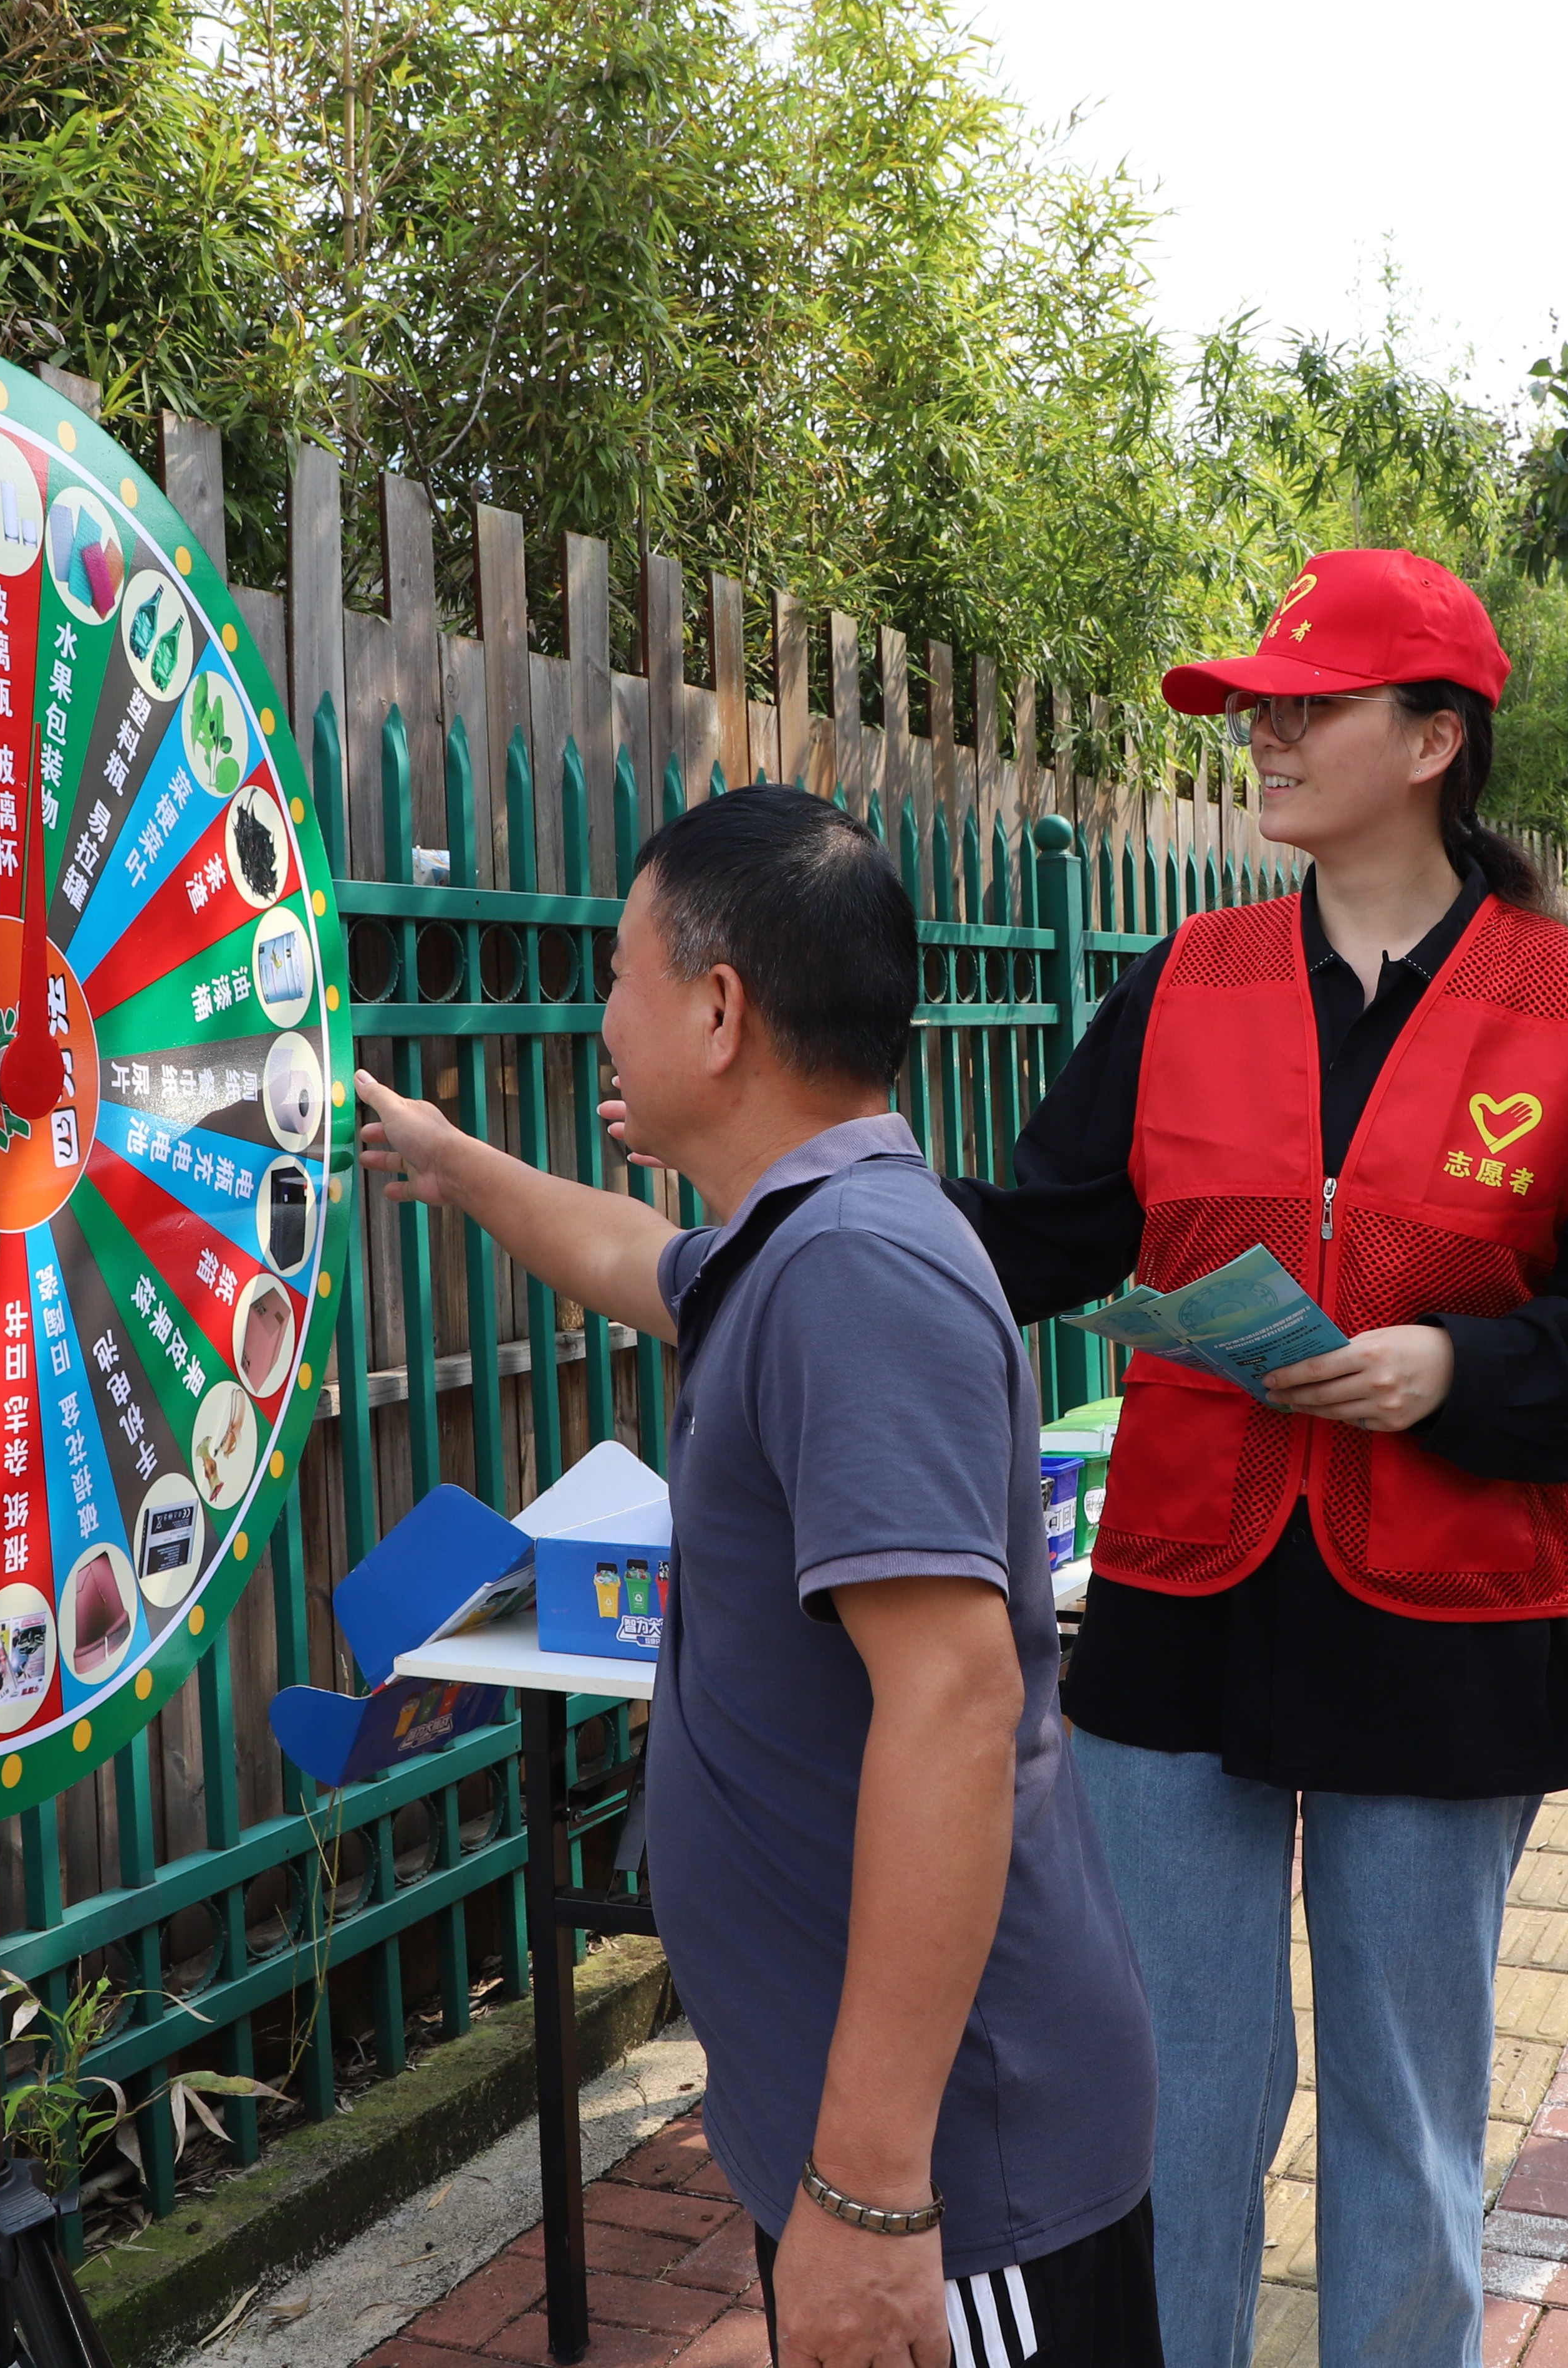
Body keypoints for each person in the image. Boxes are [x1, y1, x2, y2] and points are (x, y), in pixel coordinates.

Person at [941, 551, 1568, 2368]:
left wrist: (1457, 1365)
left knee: (1409, 2109)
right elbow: (1037, 1236)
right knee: (1170, 2093)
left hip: (1442, 1621)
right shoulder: (1181, 984)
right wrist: (789, 1194)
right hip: (1181, 1601)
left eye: (1306, 706)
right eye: (1255, 710)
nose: (1264, 738)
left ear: (1436, 740)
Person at [352, 785, 1163, 2368]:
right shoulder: (799, 1243)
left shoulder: (852, 1271)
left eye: (621, 974)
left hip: (955, 2175)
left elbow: (955, 1700)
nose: (602, 1016)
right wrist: (453, 1163)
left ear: (720, 1011)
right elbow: (621, 1251)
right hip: (906, 2152)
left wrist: (870, 2192)